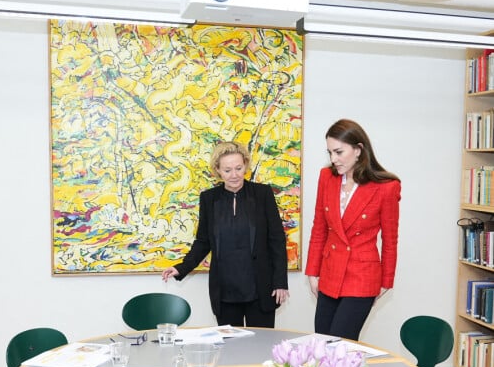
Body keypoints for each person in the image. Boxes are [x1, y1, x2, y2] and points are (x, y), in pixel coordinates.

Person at [162, 141, 289, 327]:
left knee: (261, 347)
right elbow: (203, 241)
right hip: (225, 290)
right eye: (227, 170)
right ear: (218, 171)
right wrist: (182, 267)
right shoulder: (209, 198)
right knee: (230, 350)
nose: (234, 175)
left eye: (238, 168)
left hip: (260, 288)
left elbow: (277, 240)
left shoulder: (263, 194)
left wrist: (280, 282)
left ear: (245, 165)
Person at [305, 119, 400, 341]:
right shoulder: (326, 177)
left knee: (341, 346)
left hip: (362, 277)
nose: (333, 159)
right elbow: (319, 227)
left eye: (339, 152)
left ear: (358, 149)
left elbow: (390, 239)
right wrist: (312, 271)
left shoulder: (386, 187)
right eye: (329, 152)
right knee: (321, 343)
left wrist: (386, 281)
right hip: (329, 272)